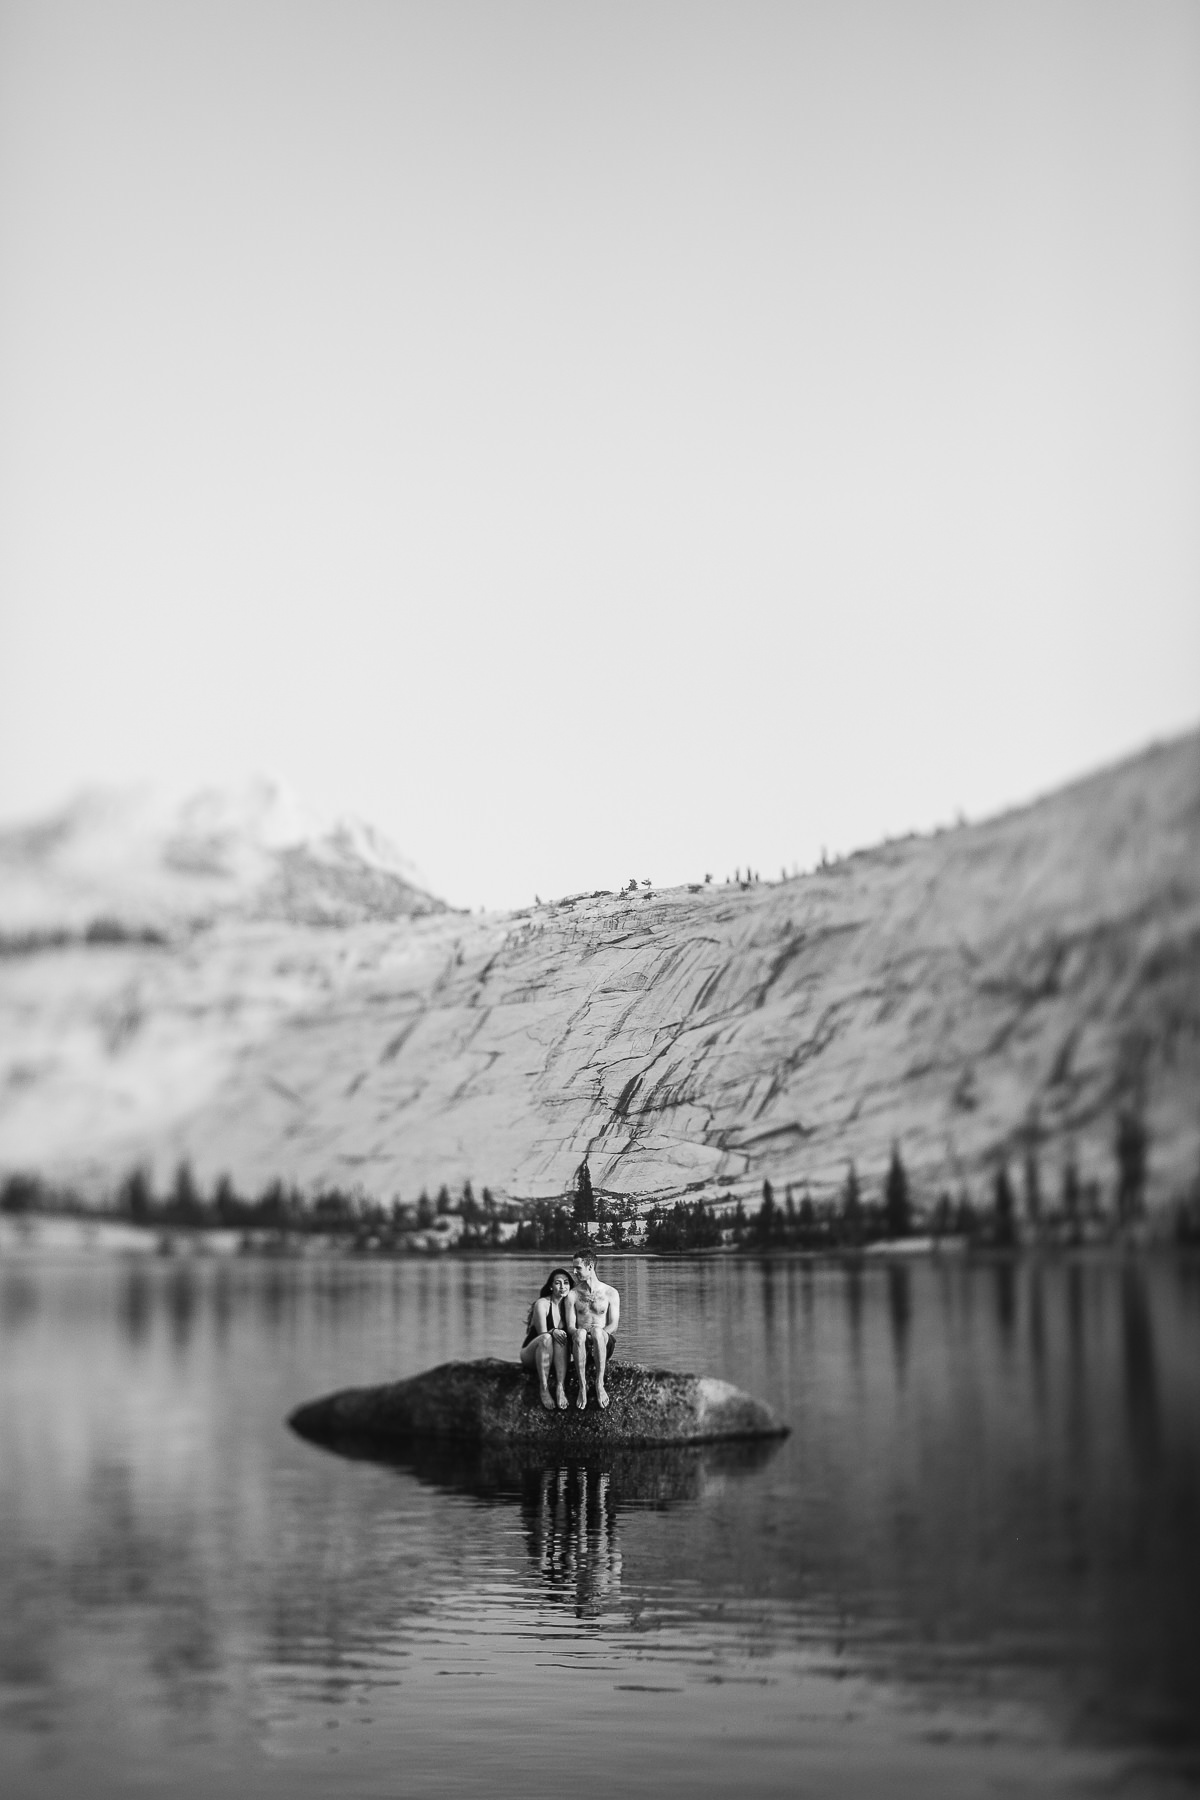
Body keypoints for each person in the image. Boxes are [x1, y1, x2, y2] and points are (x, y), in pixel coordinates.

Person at [565, 1245, 620, 1410]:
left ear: (590, 1267)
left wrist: (598, 1335)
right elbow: (570, 1326)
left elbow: (613, 1325)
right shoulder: (572, 1295)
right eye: (574, 1268)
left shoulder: (611, 1292)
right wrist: (581, 1333)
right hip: (580, 1344)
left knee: (597, 1331)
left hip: (603, 1342)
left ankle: (599, 1384)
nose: (574, 1272)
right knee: (580, 1333)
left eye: (578, 1268)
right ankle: (582, 1386)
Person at [520, 1268, 573, 1410]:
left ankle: (560, 1388)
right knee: (547, 1338)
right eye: (558, 1283)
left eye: (566, 1283)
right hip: (532, 1353)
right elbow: (542, 1333)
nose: (562, 1286)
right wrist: (553, 1331)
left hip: (557, 1357)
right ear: (551, 1286)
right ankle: (543, 1388)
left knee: (561, 1337)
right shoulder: (542, 1304)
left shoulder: (570, 1306)